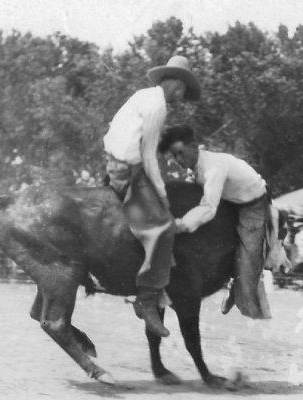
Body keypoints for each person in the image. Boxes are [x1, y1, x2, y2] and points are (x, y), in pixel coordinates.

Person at [102, 56, 201, 337]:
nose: (181, 98)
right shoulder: (157, 106)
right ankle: (146, 300)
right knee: (164, 226)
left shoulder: (143, 96)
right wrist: (162, 195)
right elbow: (148, 156)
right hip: (128, 169)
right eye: (181, 90)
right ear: (171, 82)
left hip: (114, 160)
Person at [158, 125, 275, 319]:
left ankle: (252, 305)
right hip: (229, 200)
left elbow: (209, 208)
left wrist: (180, 224)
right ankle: (231, 281)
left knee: (248, 261)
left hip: (252, 204)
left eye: (181, 153)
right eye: (174, 156)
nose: (179, 160)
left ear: (194, 146)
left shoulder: (213, 168)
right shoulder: (195, 168)